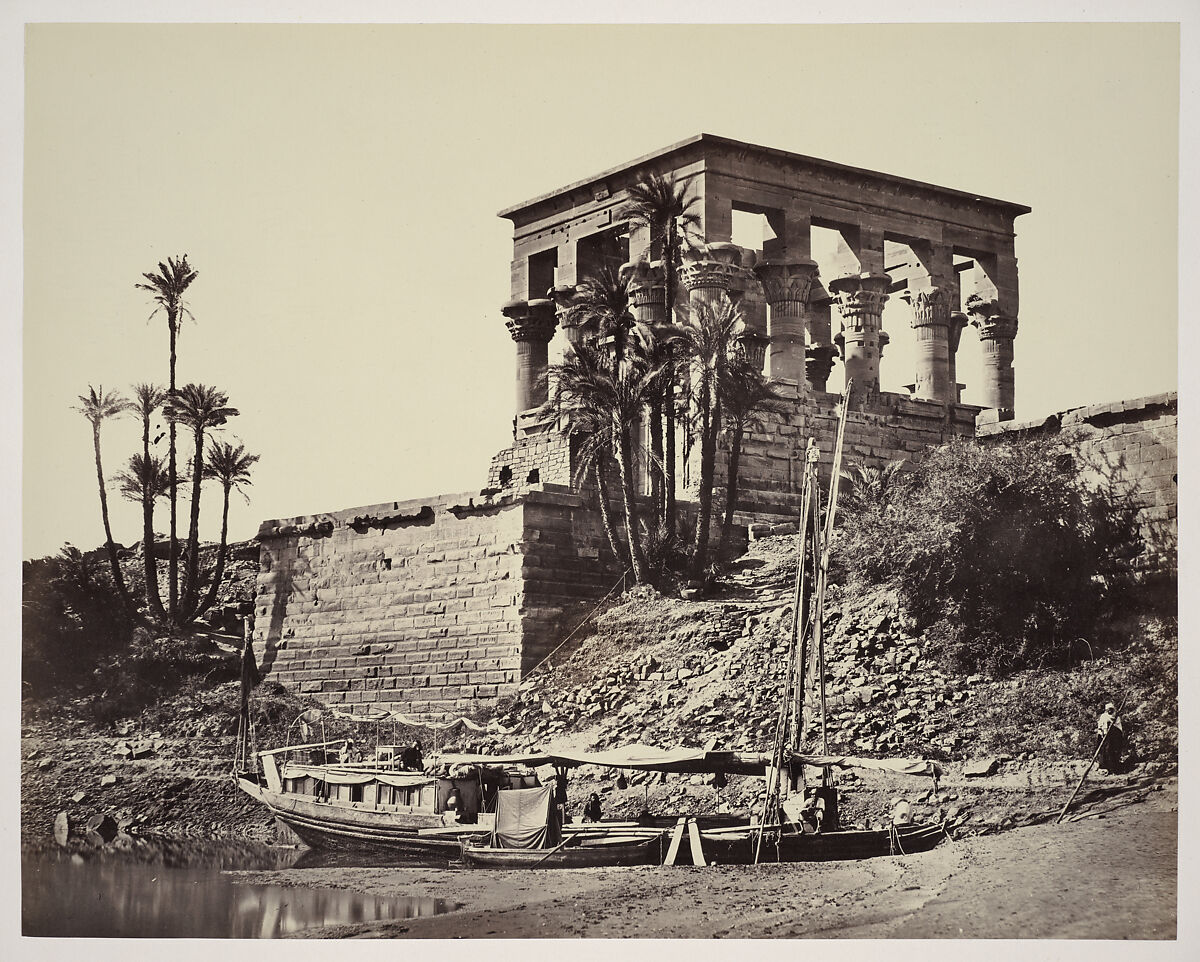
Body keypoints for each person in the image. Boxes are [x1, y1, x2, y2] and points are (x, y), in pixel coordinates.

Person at [1096, 701, 1126, 773]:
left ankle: (1114, 768)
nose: (1110, 711)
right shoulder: (1104, 716)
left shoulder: (1116, 717)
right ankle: (1104, 766)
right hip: (1104, 737)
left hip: (1114, 737)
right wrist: (1103, 732)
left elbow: (1119, 728)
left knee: (1113, 751)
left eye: (1111, 709)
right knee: (1104, 751)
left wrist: (1112, 729)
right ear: (1106, 710)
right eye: (1108, 709)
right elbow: (1100, 726)